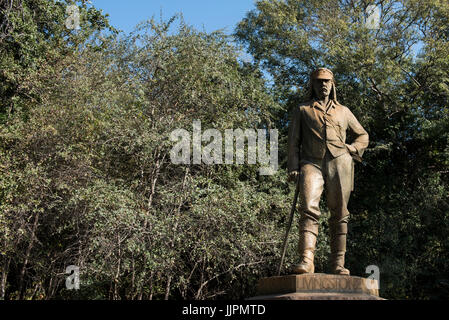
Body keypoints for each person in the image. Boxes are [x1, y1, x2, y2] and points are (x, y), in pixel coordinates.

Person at [287, 67, 369, 275]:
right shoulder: (303, 110)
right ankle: (306, 259)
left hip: (340, 163)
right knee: (308, 208)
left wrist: (352, 148)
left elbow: (363, 135)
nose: (323, 85)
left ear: (332, 85)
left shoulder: (344, 111)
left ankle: (338, 264)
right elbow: (293, 142)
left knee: (340, 213)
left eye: (327, 81)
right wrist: (293, 166)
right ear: (312, 85)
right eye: (319, 81)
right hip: (311, 163)